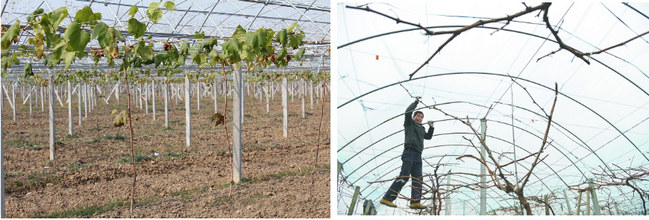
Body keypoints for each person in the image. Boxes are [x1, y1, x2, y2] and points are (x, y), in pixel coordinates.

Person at [380, 97, 434, 209]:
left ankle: (415, 201)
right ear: (414, 117)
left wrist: (431, 127)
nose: (419, 118)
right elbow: (407, 112)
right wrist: (416, 103)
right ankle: (387, 198)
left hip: (418, 155)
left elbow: (428, 137)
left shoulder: (422, 128)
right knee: (404, 176)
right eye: (418, 116)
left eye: (421, 117)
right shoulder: (409, 124)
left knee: (418, 178)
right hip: (409, 152)